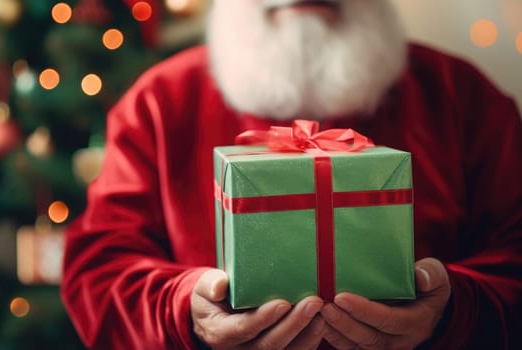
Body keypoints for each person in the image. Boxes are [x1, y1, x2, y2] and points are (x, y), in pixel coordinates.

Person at [61, 0, 522, 348]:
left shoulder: (461, 95)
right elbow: (99, 270)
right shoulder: (159, 103)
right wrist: (184, 309)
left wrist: (456, 309)